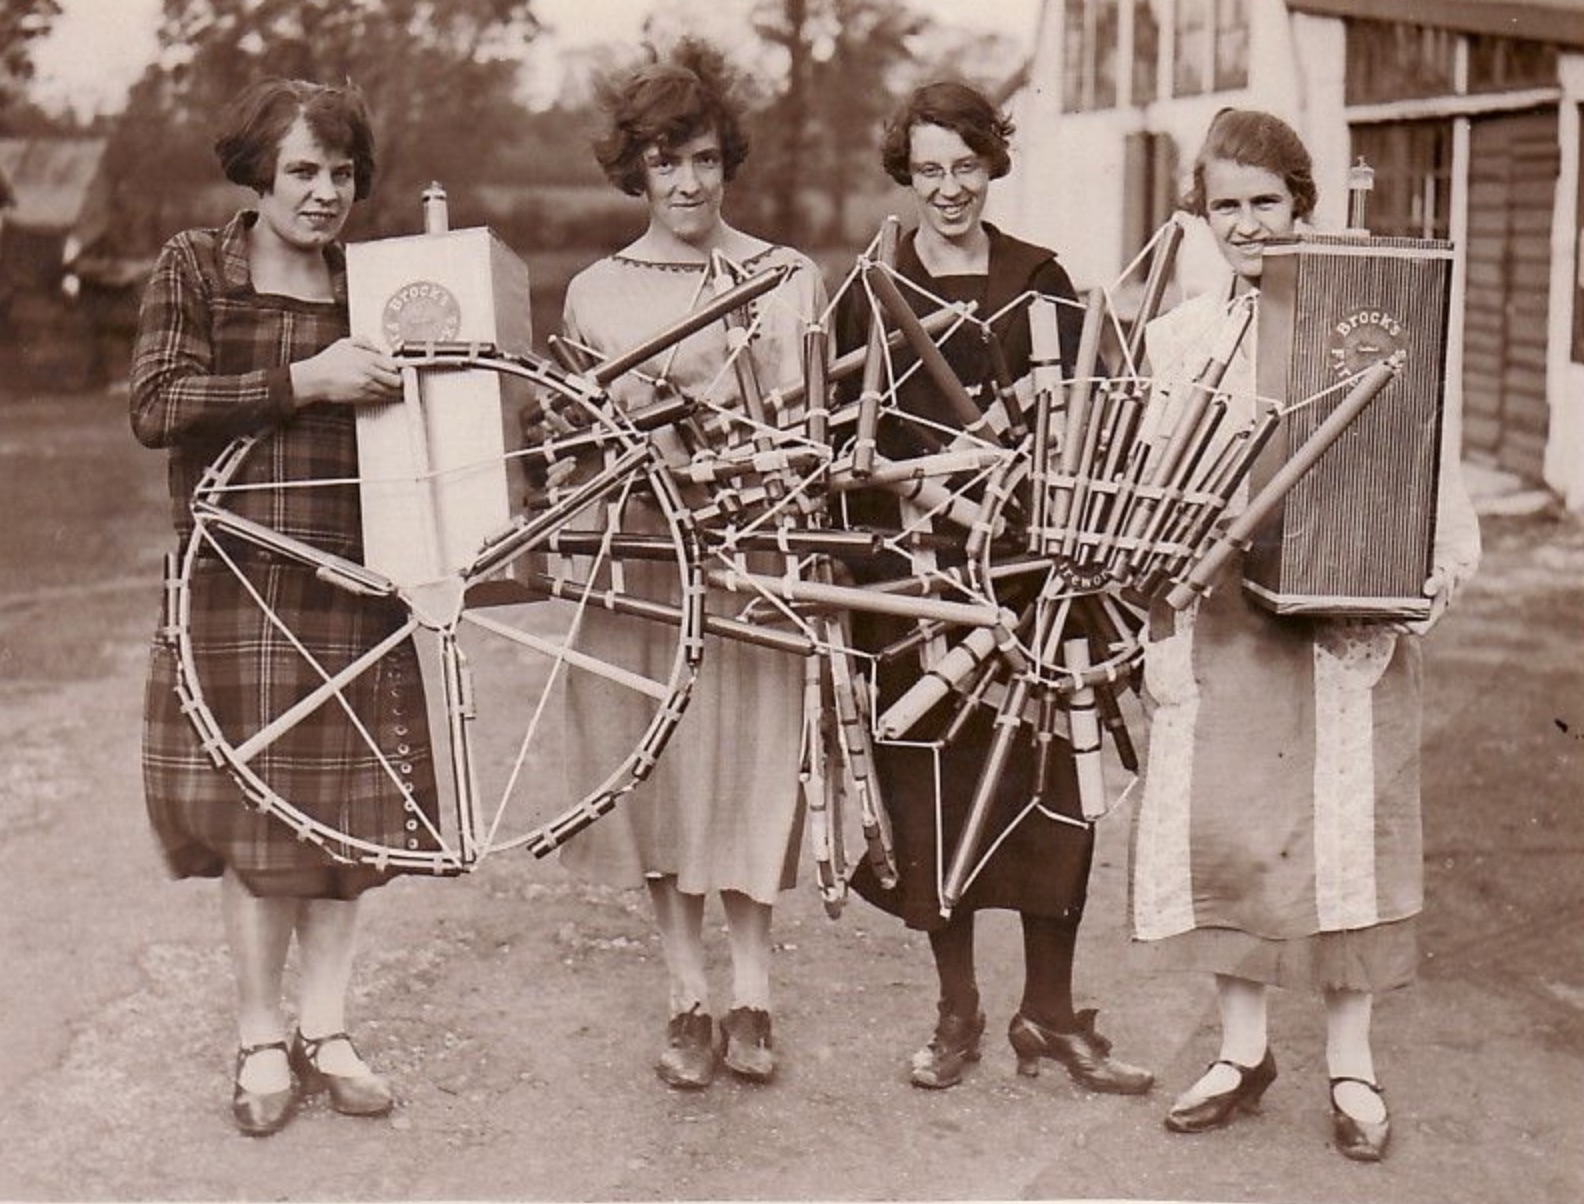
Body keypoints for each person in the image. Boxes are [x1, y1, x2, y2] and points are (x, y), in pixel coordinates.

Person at [1129, 108, 1482, 1160]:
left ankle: (1351, 1064)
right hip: (1230, 614)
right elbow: (1152, 479)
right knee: (1235, 830)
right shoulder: (1182, 337)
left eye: (1265, 202)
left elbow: (1425, 447)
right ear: (1199, 216)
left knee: (1347, 836)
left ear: (1302, 203)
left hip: (1347, 612)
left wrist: (1432, 568)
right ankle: (1243, 1049)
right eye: (1225, 205)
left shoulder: (1373, 309)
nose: (1246, 223)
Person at [833, 81, 1154, 1096]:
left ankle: (1050, 1012)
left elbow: (1105, 416)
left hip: (1036, 582)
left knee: (1059, 790)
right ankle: (958, 1010)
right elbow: (840, 438)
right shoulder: (871, 290)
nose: (948, 189)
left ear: (991, 164)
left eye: (965, 166)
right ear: (907, 175)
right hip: (916, 586)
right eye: (928, 170)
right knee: (939, 789)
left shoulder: (1043, 282)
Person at [131, 78, 436, 1136]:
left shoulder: (377, 282)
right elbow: (159, 405)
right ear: (259, 171)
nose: (324, 193)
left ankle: (328, 1027)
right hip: (240, 582)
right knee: (258, 824)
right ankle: (262, 1039)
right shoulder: (194, 267)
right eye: (303, 171)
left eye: (343, 173)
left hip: (357, 578)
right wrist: (305, 379)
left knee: (346, 821)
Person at [554, 38, 826, 1090]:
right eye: (665, 161)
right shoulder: (593, 293)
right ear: (635, 168)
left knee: (755, 764)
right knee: (659, 772)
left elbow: (814, 425)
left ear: (728, 162)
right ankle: (685, 995)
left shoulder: (786, 277)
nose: (687, 182)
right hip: (643, 567)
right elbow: (573, 442)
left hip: (754, 557)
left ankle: (753, 990)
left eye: (705, 158)